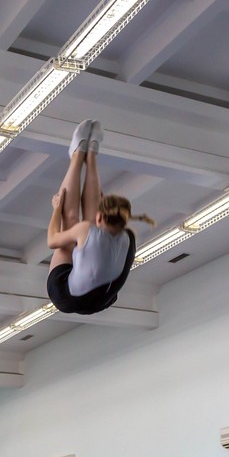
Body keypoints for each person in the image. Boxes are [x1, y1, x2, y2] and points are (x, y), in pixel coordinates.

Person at [46, 119, 153, 316]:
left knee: (69, 234)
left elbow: (56, 240)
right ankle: (85, 153)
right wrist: (57, 209)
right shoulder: (101, 231)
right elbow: (55, 240)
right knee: (77, 229)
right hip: (100, 298)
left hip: (67, 296)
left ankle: (85, 155)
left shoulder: (129, 237)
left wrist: (58, 209)